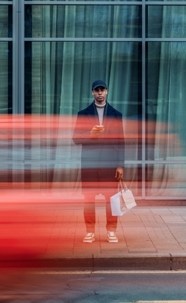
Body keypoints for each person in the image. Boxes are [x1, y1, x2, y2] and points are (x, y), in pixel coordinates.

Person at [73, 80, 125, 243]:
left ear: (107, 92)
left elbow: (121, 141)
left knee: (112, 200)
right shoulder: (83, 113)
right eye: (97, 90)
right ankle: (90, 231)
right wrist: (90, 134)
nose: (100, 93)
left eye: (102, 90)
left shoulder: (117, 114)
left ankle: (111, 230)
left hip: (110, 164)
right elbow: (75, 138)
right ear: (92, 93)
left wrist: (120, 165)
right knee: (89, 199)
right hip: (90, 165)